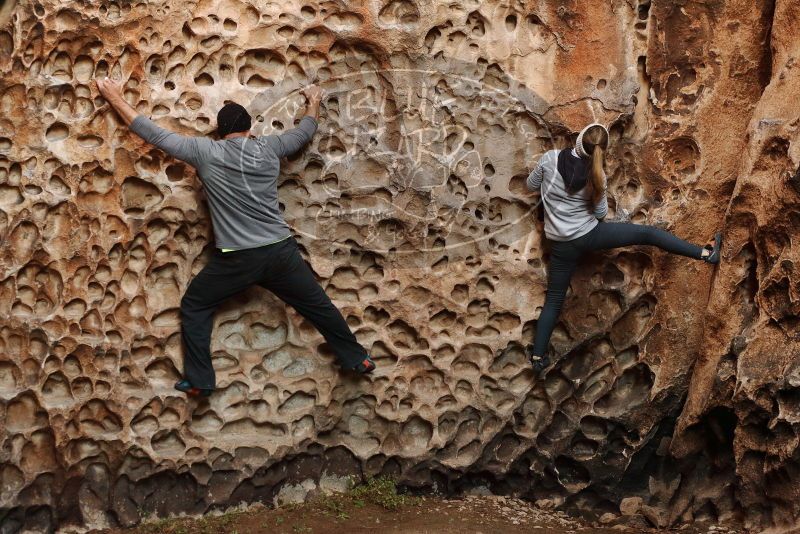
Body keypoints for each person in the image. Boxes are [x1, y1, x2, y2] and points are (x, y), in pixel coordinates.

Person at [95, 77, 376, 397]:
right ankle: (357, 357)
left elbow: (151, 132)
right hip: (280, 252)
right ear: (249, 129)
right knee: (318, 306)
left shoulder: (204, 151)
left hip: (239, 259)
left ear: (220, 132)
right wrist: (313, 101)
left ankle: (201, 380)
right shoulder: (270, 147)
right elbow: (303, 132)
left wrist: (114, 96)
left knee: (196, 304)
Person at [525, 123, 721, 374]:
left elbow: (532, 186)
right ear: (601, 151)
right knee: (647, 233)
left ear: (578, 141)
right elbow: (601, 214)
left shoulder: (550, 159)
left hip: (559, 245)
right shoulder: (597, 176)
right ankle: (706, 254)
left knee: (553, 300)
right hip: (590, 236)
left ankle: (538, 358)